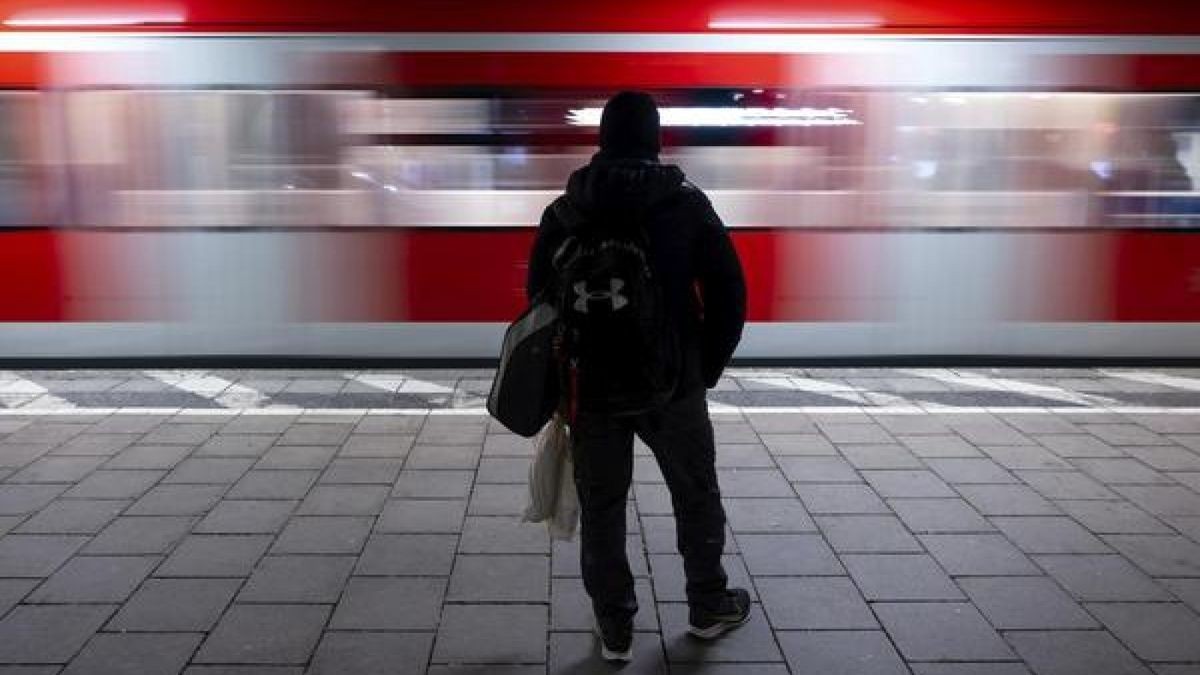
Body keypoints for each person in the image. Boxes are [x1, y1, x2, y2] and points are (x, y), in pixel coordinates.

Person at [525, 91, 749, 661]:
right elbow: (730, 290)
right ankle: (706, 604)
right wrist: (706, 366)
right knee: (695, 492)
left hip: (592, 385)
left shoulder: (565, 209)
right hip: (674, 381)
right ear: (655, 139)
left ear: (602, 140)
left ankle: (616, 627)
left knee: (603, 505)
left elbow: (537, 299)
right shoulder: (686, 203)